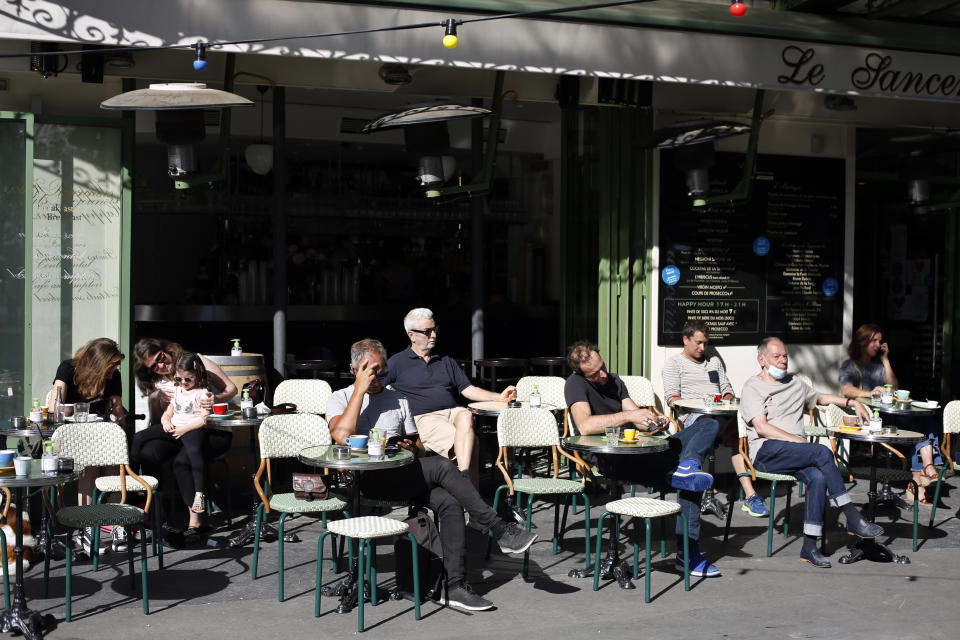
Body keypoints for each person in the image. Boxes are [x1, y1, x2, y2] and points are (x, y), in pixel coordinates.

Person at [328, 338, 538, 612]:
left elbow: (420, 450)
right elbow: (341, 435)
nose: (377, 377)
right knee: (442, 466)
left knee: (449, 502)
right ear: (354, 370)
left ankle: (454, 585)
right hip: (369, 482)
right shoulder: (340, 397)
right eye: (370, 371)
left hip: (405, 475)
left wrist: (410, 446)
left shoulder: (398, 399)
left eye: (381, 370)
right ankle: (498, 527)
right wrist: (360, 391)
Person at [564, 340, 720, 578]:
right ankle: (688, 555)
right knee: (691, 483)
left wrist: (653, 422)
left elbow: (637, 417)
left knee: (708, 423)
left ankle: (688, 465)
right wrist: (630, 415)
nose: (603, 375)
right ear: (581, 374)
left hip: (645, 450)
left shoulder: (614, 381)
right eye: (595, 374)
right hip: (615, 460)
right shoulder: (575, 383)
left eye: (603, 367)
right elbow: (584, 426)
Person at [740, 337, 880, 568]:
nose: (783, 360)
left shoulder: (795, 382)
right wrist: (799, 440)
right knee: (821, 452)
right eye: (777, 357)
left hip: (795, 452)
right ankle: (852, 517)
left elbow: (820, 398)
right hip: (767, 453)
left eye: (785, 355)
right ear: (761, 360)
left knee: (817, 476)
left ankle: (809, 547)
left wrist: (851, 402)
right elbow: (762, 428)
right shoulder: (753, 387)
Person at [384, 308, 516, 488]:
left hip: (453, 413)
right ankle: (472, 497)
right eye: (427, 331)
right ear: (411, 335)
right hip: (424, 418)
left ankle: (463, 478)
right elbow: (375, 389)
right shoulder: (396, 362)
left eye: (434, 329)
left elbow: (468, 390)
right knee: (473, 441)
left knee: (467, 414)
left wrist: (499, 397)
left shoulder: (445, 360)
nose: (434, 335)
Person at [131, 338, 237, 535]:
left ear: (165, 349)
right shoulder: (160, 381)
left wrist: (215, 399)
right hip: (179, 429)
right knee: (149, 452)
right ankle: (152, 507)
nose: (161, 365)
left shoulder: (195, 362)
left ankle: (195, 522)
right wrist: (159, 403)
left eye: (160, 358)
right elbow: (159, 419)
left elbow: (231, 389)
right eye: (154, 366)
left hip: (211, 430)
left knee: (183, 462)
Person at [839, 324, 939, 504]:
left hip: (890, 414)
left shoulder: (879, 365)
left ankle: (925, 469)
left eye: (880, 340)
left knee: (927, 422)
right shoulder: (850, 365)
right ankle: (921, 477)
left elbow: (895, 389)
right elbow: (847, 390)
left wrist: (886, 360)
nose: (878, 344)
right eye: (874, 340)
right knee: (922, 429)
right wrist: (870, 393)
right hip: (872, 417)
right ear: (862, 342)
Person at [49, 337, 128, 506]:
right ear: (98, 364)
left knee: (114, 461)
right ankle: (87, 523)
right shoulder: (68, 369)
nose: (114, 371)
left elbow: (118, 410)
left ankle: (116, 520)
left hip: (99, 433)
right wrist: (71, 410)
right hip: (72, 432)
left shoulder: (114, 376)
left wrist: (118, 422)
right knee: (91, 465)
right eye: (111, 367)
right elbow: (54, 408)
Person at [159, 353, 214, 515]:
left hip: (192, 428)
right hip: (175, 426)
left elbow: (205, 418)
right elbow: (168, 412)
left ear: (197, 375)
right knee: (141, 438)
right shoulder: (176, 391)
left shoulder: (202, 392)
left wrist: (185, 429)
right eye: (178, 379)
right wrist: (165, 421)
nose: (183, 383)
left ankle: (199, 492)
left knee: (193, 452)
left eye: (188, 379)